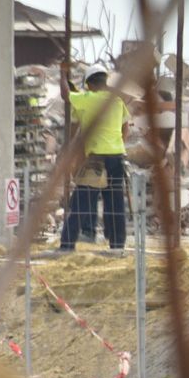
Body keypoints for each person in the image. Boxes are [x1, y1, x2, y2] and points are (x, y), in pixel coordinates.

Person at [60, 64, 131, 253]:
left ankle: (67, 245)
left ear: (90, 85)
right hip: (117, 158)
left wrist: (62, 74)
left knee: (81, 202)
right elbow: (126, 128)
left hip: (96, 160)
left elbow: (66, 95)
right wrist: (116, 144)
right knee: (114, 204)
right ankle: (117, 246)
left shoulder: (89, 99)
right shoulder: (116, 101)